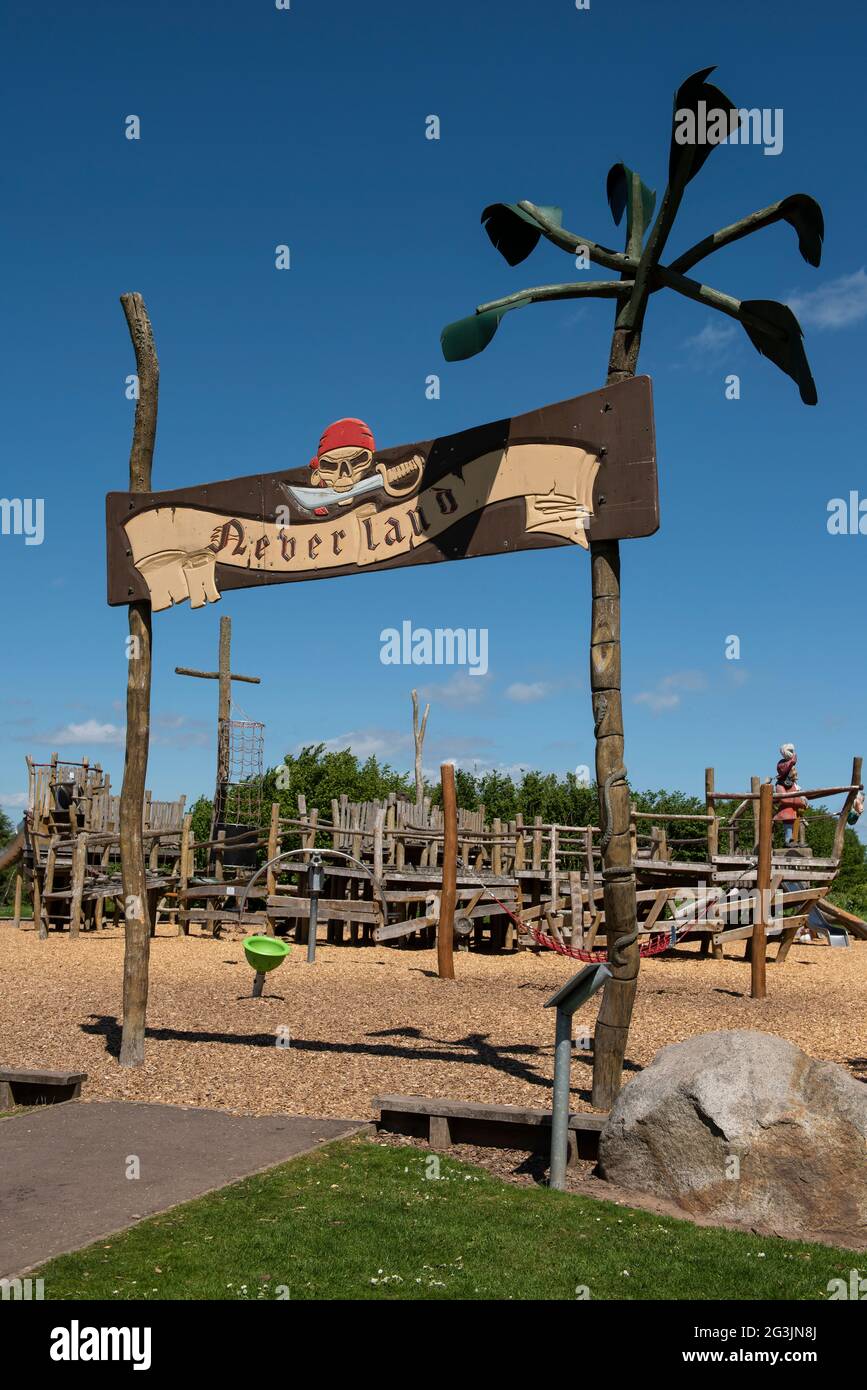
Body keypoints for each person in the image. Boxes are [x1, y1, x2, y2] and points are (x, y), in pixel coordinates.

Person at [774, 743, 807, 846]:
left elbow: (797, 794)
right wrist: (799, 802)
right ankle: (788, 840)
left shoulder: (793, 785)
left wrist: (803, 800)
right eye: (792, 770)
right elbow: (784, 799)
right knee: (788, 823)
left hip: (794, 811)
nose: (795, 772)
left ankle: (794, 841)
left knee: (795, 822)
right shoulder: (780, 785)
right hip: (787, 810)